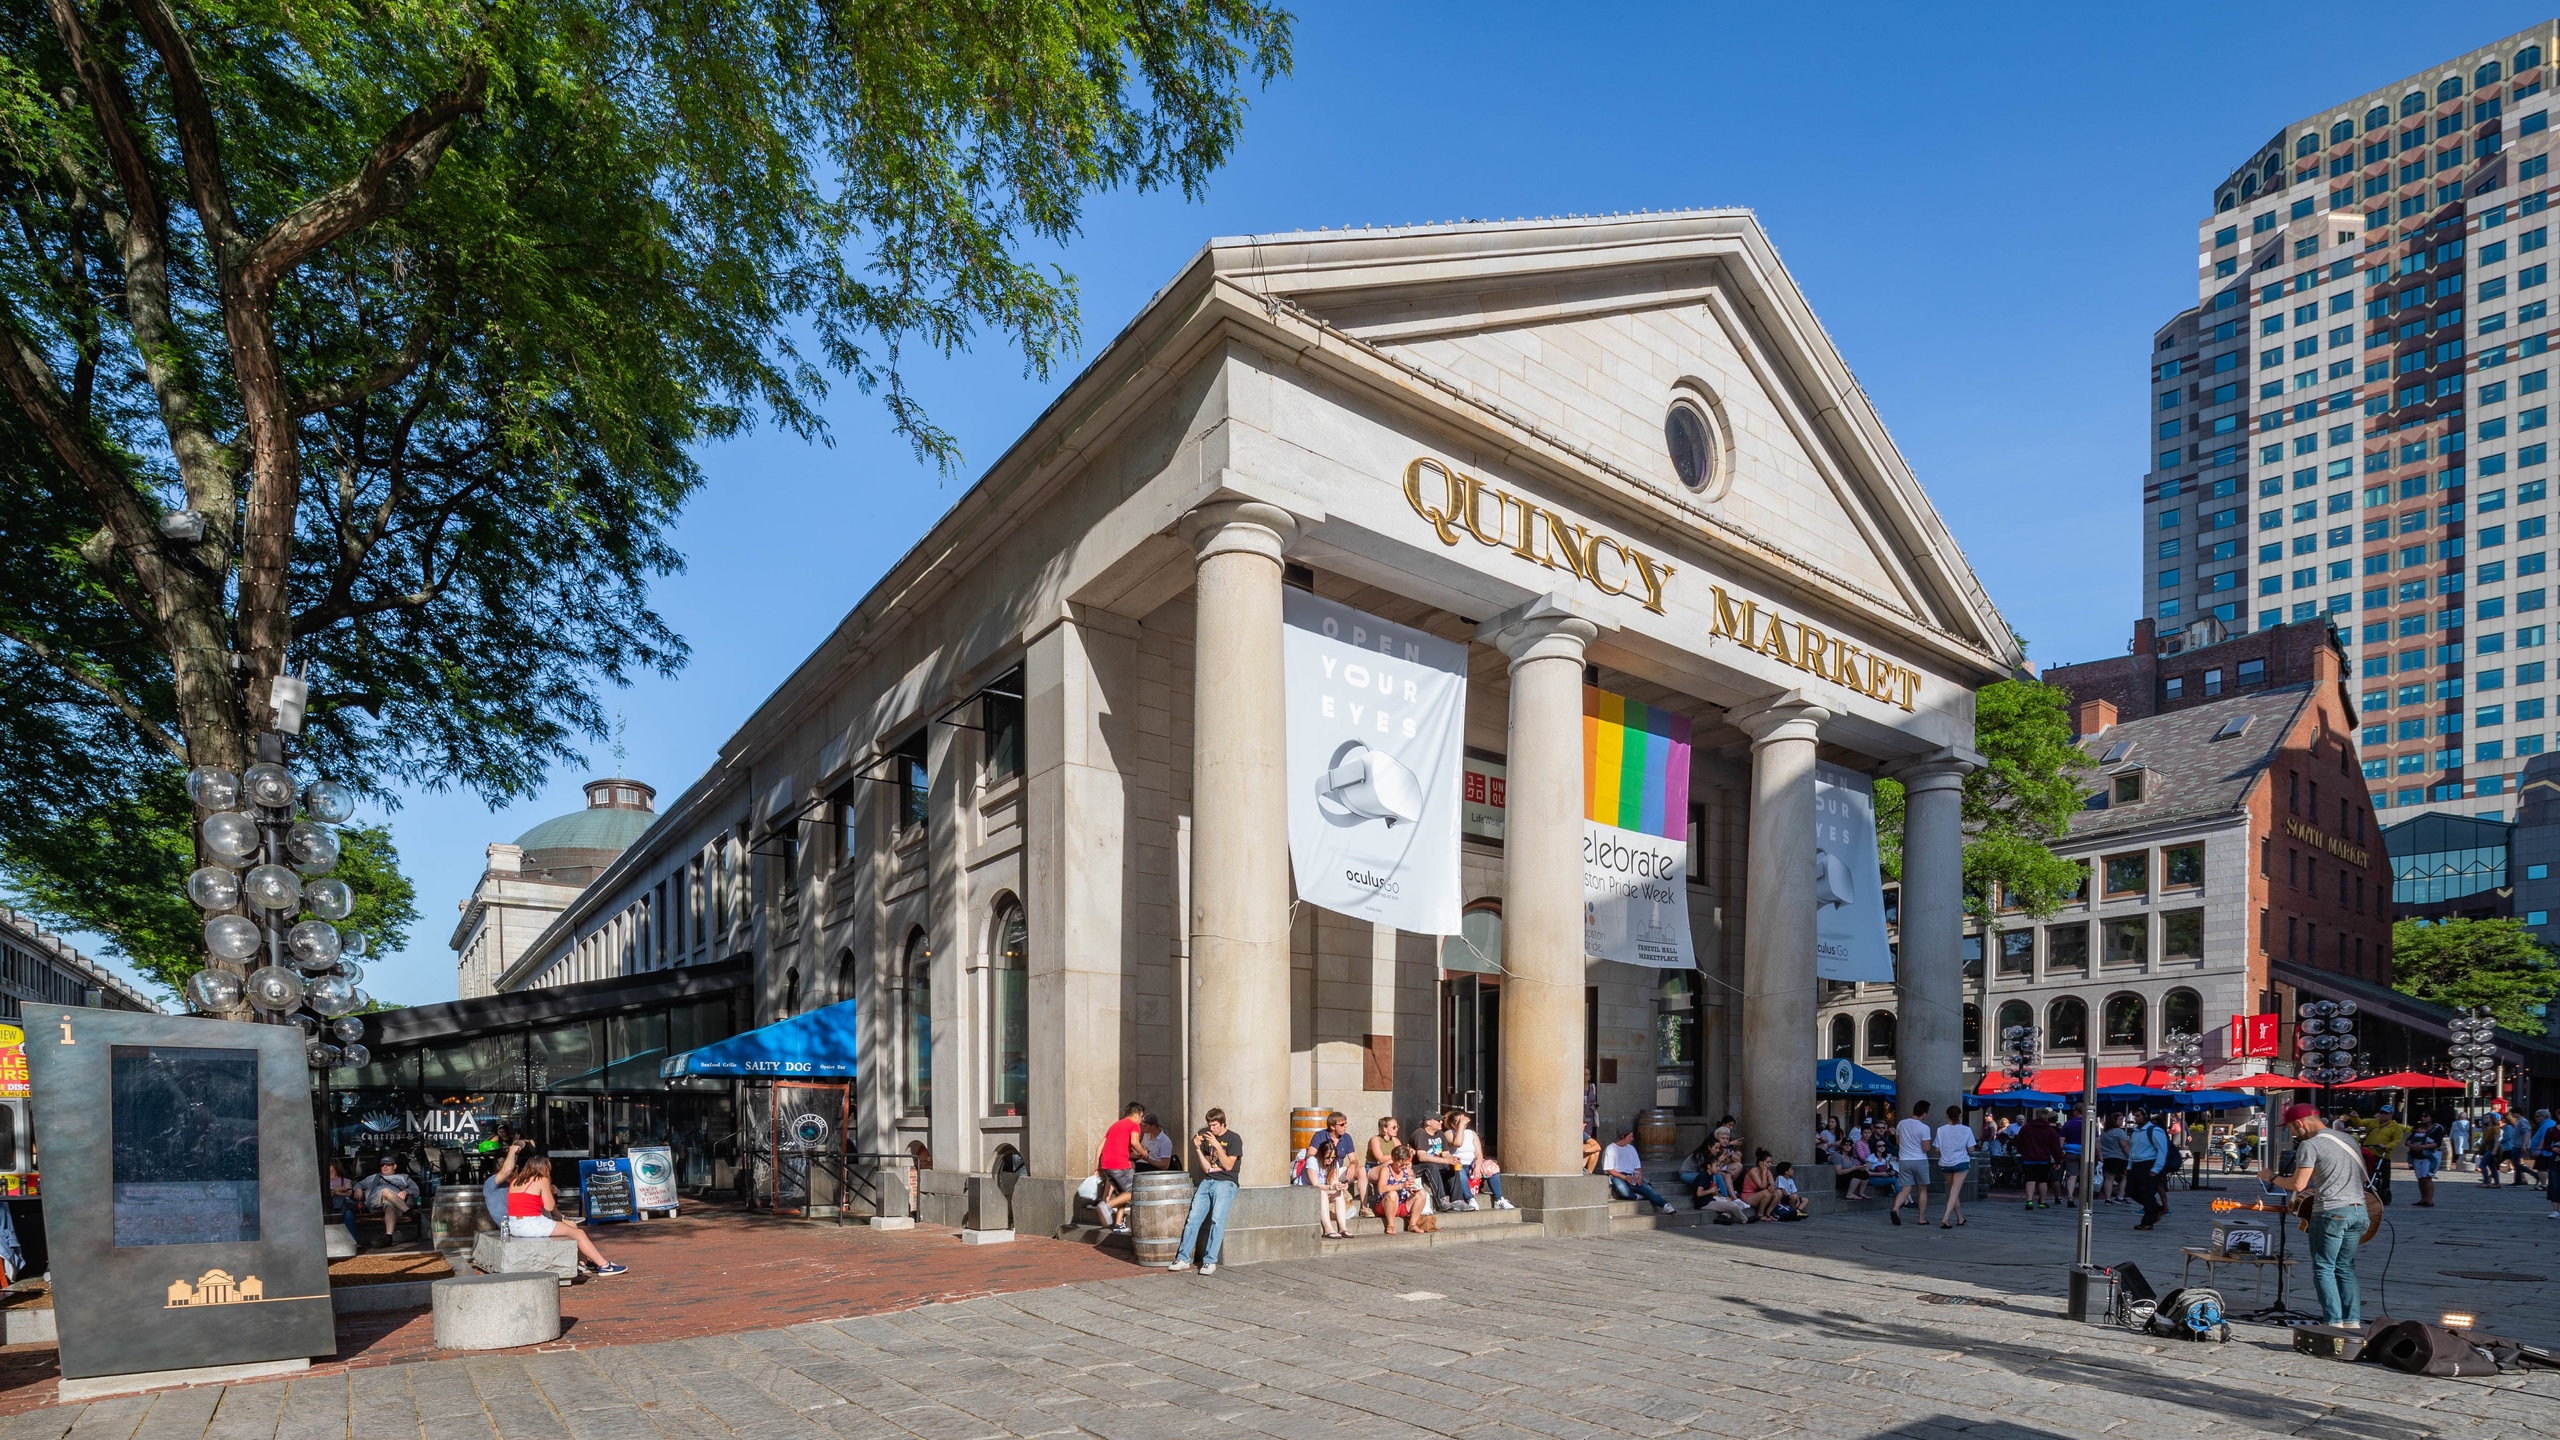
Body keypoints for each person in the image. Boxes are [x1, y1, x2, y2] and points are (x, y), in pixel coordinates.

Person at [2262, 1102, 2368, 1328]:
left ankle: (2334, 1322)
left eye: (2290, 1127)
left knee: (2324, 1267)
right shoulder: (2349, 1140)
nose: (2290, 1132)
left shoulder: (2311, 1145)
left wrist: (2270, 1177)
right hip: (2359, 1211)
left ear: (2300, 1124)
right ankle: (2352, 1321)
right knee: (2346, 1266)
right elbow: (2362, 1179)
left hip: (2331, 1213)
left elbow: (2297, 1184)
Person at [503, 1155, 626, 1275]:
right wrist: (551, 1192)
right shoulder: (541, 1179)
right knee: (579, 1234)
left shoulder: (515, 1181)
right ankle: (604, 1266)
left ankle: (582, 1263)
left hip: (514, 1225)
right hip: (532, 1224)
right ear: (543, 1168)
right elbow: (549, 1206)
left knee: (571, 1225)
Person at [1168, 1109, 1242, 1274]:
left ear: (1222, 1123)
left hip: (1226, 1182)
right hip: (1208, 1181)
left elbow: (1229, 1166)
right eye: (1210, 1125)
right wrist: (1197, 1150)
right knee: (1193, 1219)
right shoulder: (1208, 1139)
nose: (1212, 1128)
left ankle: (1210, 1261)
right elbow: (1207, 1168)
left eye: (1215, 1125)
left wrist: (1217, 1145)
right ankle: (1183, 1258)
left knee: (1217, 1219)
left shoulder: (1234, 1138)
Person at [1094, 1101, 1145, 1231]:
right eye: (1142, 1117)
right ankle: (1107, 1206)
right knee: (1134, 1192)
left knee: (1122, 1193)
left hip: (1107, 1165)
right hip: (1120, 1164)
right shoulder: (1133, 1125)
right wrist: (1144, 1153)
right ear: (1138, 1114)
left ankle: (1118, 1224)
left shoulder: (1114, 1126)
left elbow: (1100, 1147)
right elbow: (1134, 1142)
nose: (1141, 1120)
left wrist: (1097, 1168)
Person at [1447, 1111, 1512, 1209]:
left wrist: (1477, 1167)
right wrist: (1460, 1127)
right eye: (1460, 1122)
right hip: (1458, 1164)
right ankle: (1470, 1199)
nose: (1464, 1124)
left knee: (1491, 1167)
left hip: (1472, 1164)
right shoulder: (1448, 1133)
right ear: (1453, 1124)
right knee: (1459, 1172)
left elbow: (1478, 1153)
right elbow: (1457, 1144)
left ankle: (1499, 1199)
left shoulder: (1471, 1133)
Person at [1602, 1125, 1673, 1213]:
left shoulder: (1631, 1149)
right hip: (1617, 1175)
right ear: (1623, 1136)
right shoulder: (1611, 1148)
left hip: (1631, 1175)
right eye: (1630, 1136)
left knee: (1647, 1189)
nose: (1632, 1139)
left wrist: (1639, 1177)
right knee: (1623, 1191)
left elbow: (1637, 1166)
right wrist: (1624, 1178)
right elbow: (1610, 1170)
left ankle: (1665, 1205)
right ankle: (1638, 1196)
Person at [1411, 1115, 1469, 1211]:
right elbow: (1422, 1157)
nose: (1441, 1122)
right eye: (1438, 1120)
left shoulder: (1440, 1134)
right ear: (1428, 1122)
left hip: (1435, 1164)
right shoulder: (1420, 1133)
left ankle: (1457, 1200)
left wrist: (1453, 1159)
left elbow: (1445, 1154)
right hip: (1418, 1167)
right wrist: (1444, 1160)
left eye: (1441, 1120)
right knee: (1431, 1165)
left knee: (1452, 1165)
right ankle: (1441, 1200)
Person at [2125, 1109, 2170, 1231]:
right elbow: (2132, 1151)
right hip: (2136, 1164)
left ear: (2145, 1117)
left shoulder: (2154, 1130)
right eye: (2135, 1116)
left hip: (2149, 1164)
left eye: (2138, 1116)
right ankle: (2156, 1208)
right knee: (2130, 1190)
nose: (2135, 1118)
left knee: (2147, 1193)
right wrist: (2129, 1166)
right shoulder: (2135, 1132)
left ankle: (2147, 1222)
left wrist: (2156, 1168)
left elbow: (2162, 1150)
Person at [1890, 1101, 1933, 1227]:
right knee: (1922, 1189)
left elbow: (1898, 1142)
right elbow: (1926, 1148)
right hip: (1919, 1160)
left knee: (1905, 1189)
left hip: (1904, 1160)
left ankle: (1896, 1208)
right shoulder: (1924, 1128)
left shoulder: (1901, 1124)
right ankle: (1921, 1218)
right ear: (1924, 1114)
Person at [358, 1157, 422, 1240]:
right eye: (382, 1165)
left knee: (390, 1207)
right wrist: (358, 1189)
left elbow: (416, 1190)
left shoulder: (403, 1177)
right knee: (385, 1191)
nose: (385, 1167)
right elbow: (358, 1184)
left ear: (394, 1166)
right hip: (375, 1201)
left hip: (396, 1203)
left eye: (388, 1165)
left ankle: (388, 1237)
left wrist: (406, 1192)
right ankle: (409, 1212)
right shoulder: (373, 1177)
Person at [1933, 1104, 1974, 1228]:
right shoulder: (1966, 1130)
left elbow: (1936, 1149)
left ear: (1947, 1116)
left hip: (1945, 1163)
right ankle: (1945, 1218)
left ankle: (1960, 1217)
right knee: (1954, 1192)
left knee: (1952, 1191)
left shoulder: (1941, 1130)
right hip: (1961, 1162)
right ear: (1960, 1115)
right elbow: (1971, 1149)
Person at [2016, 1110, 2062, 1210]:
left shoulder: (2026, 1128)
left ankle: (2029, 1200)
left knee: (2030, 1179)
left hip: (2028, 1158)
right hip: (2043, 1159)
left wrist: (2022, 1151)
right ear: (2047, 1117)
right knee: (2042, 1180)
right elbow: (2055, 1147)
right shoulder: (2050, 1130)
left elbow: (2019, 1141)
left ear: (2036, 1116)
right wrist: (2058, 1160)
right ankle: (2042, 1202)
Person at [1373, 1145, 1423, 1233]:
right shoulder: (1386, 1170)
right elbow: (1381, 1189)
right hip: (1386, 1205)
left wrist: (1412, 1189)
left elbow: (1411, 1184)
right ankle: (1390, 1225)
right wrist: (1400, 1186)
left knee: (1422, 1193)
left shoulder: (1407, 1170)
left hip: (1402, 1204)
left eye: (1406, 1164)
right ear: (1393, 1159)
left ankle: (1412, 1224)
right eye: (1401, 1164)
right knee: (1393, 1194)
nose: (1403, 1167)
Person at [1313, 1141, 1355, 1239]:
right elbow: (1314, 1184)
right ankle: (1328, 1229)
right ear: (1321, 1155)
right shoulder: (1313, 1161)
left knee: (1339, 1194)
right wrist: (1331, 1187)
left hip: (1323, 1190)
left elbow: (1334, 1182)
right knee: (1322, 1193)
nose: (1330, 1160)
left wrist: (1341, 1186)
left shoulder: (1333, 1164)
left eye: (1333, 1157)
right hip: (1309, 1192)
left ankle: (1343, 1228)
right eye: (1327, 1157)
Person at [2405, 1120, 2444, 1208]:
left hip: (2428, 1156)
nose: (2423, 1117)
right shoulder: (2414, 1135)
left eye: (2426, 1116)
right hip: (2417, 1156)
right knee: (2420, 1178)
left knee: (2427, 1178)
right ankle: (2423, 1199)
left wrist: (2422, 1146)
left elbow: (2436, 1143)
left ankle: (2429, 1200)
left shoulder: (2436, 1130)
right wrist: (2413, 1146)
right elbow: (2407, 1141)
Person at [2097, 1116, 2130, 1203]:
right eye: (2120, 1119)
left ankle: (2108, 1198)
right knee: (2124, 1176)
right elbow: (2124, 1145)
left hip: (2107, 1157)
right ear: (2114, 1120)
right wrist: (2129, 1155)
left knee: (2109, 1178)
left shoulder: (2104, 1132)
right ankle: (2120, 1196)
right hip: (2119, 1157)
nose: (2122, 1121)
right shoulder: (2119, 1132)